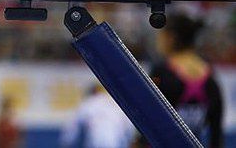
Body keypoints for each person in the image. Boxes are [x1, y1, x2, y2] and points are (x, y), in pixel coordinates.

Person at [136, 14, 224, 147]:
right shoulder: (209, 76)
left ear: (171, 38)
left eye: (161, 35)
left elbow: (147, 118)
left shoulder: (161, 72)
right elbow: (216, 132)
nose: (158, 40)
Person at [60, 84, 135, 148]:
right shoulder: (116, 104)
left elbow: (72, 129)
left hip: (96, 143)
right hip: (115, 143)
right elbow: (130, 128)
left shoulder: (89, 103)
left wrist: (66, 143)